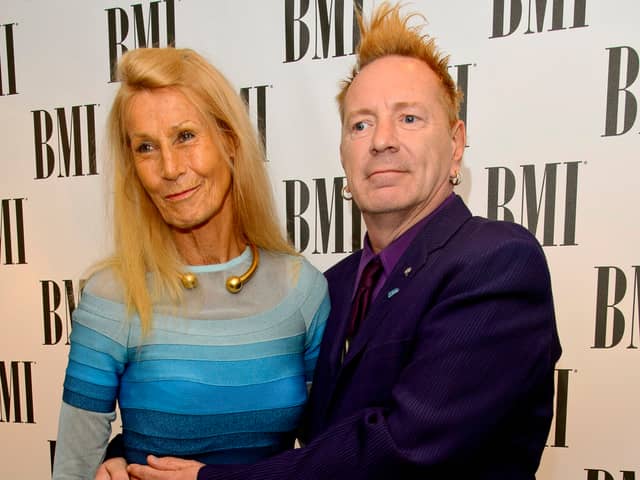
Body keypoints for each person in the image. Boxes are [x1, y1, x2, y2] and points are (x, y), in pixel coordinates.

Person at [98, 3, 562, 479]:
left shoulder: (497, 261)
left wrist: (209, 479)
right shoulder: (332, 287)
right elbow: (267, 410)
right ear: (343, 152)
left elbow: (403, 450)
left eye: (409, 119)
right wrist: (133, 451)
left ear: (456, 143)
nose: (382, 140)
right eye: (360, 124)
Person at [51, 47, 330, 479]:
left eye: (185, 136)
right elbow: (71, 468)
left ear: (230, 142)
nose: (169, 168)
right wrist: (112, 458)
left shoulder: (302, 290)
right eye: (146, 147)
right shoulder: (113, 294)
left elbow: (328, 459)